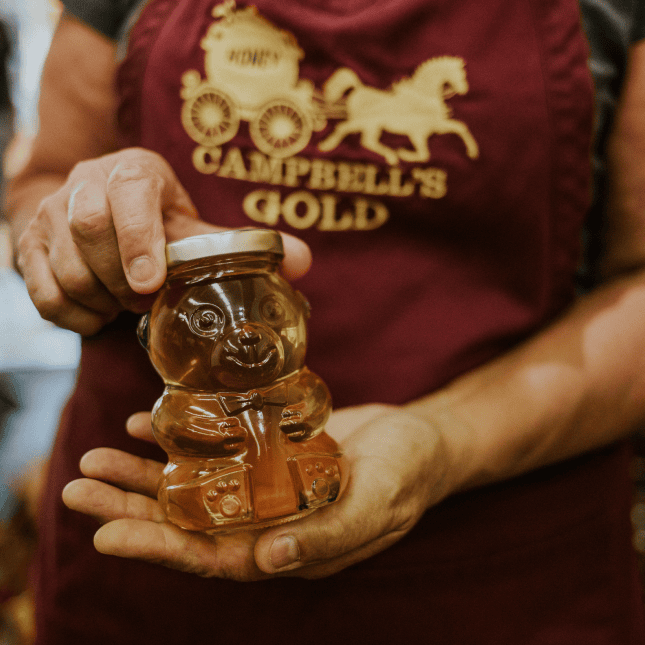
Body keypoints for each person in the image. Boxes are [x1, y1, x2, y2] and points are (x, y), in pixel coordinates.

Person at [6, 0, 645, 642]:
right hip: (147, 585)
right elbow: (43, 182)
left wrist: (445, 439)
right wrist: (78, 234)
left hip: (508, 573)